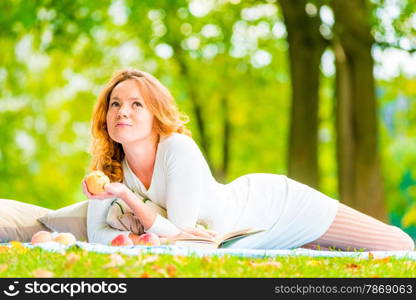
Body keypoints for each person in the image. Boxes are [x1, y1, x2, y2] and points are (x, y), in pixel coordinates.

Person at [82, 68, 415, 251]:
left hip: (275, 207)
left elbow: (183, 239)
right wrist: (136, 240)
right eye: (115, 104)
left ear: (156, 115)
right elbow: (97, 236)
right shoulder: (108, 167)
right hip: (247, 235)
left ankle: (308, 238)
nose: (122, 111)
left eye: (136, 104)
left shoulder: (176, 149)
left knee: (399, 246)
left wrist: (127, 198)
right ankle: (306, 246)